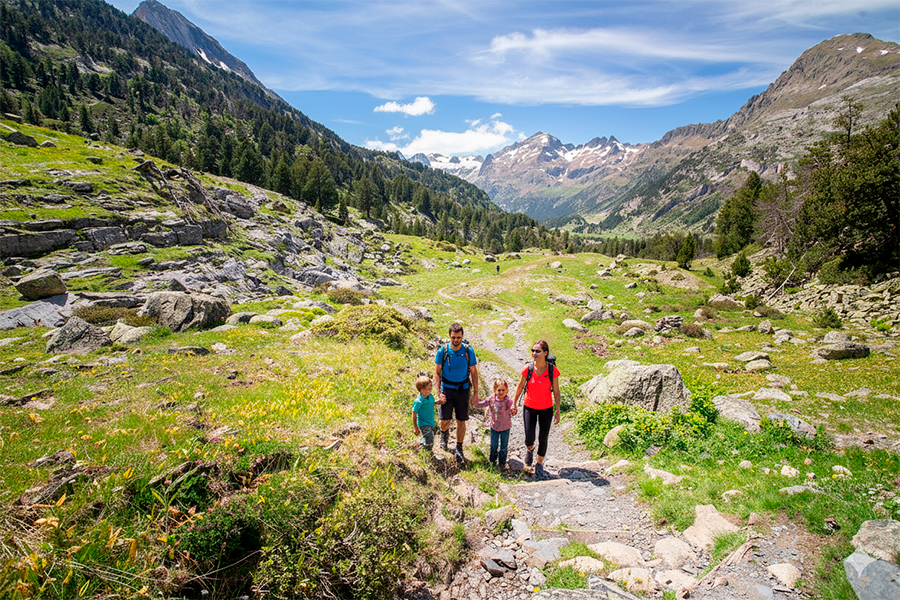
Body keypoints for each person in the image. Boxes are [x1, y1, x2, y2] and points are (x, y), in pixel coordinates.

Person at [513, 339, 560, 480]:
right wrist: (514, 403)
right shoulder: (528, 368)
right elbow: (520, 386)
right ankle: (529, 450)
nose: (534, 353)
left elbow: (556, 392)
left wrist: (558, 411)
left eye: (537, 351)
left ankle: (539, 465)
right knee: (529, 437)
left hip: (546, 408)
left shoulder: (552, 371)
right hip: (529, 407)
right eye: (533, 351)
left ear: (545, 353)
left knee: (543, 437)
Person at [435, 322, 479, 462]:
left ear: (462, 336)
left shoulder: (468, 351)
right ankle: (444, 435)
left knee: (461, 421)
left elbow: (474, 372)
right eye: (453, 337)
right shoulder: (442, 351)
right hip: (447, 390)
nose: (456, 340)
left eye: (458, 337)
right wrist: (439, 393)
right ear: (449, 336)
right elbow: (437, 373)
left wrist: (476, 393)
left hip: (463, 390)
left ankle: (459, 446)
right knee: (444, 421)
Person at [472, 379, 516, 469]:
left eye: (503, 390)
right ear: (494, 390)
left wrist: (513, 411)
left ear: (507, 391)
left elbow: (513, 411)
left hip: (505, 427)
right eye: (499, 390)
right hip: (494, 427)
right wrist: (475, 404)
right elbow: (483, 404)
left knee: (504, 447)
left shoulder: (508, 401)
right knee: (493, 446)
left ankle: (502, 464)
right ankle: (492, 462)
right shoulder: (491, 399)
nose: (501, 392)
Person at [412, 375, 442, 452]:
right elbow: (414, 414)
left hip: (430, 421)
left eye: (431, 387)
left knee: (428, 436)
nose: (430, 389)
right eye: (428, 388)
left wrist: (438, 402)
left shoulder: (429, 396)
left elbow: (431, 402)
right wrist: (416, 428)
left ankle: (419, 442)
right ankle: (428, 452)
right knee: (430, 439)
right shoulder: (419, 401)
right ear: (421, 390)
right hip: (423, 423)